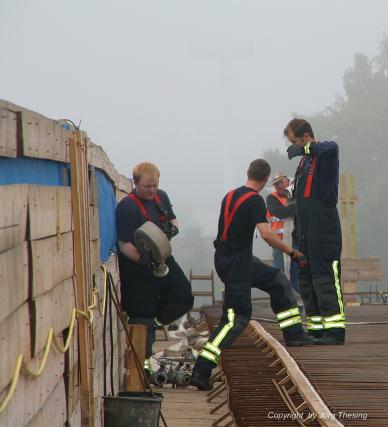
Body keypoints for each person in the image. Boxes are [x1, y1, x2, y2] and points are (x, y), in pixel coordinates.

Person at [190, 159, 315, 391]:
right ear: (266, 180)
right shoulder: (255, 200)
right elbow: (266, 234)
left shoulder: (229, 196)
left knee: (277, 281)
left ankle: (295, 333)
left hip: (229, 259)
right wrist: (292, 252)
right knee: (235, 319)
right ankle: (202, 369)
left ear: (248, 173)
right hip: (237, 264)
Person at [116, 162, 194, 372]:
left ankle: (158, 319)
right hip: (138, 269)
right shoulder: (128, 208)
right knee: (142, 319)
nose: (152, 190)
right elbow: (124, 245)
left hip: (163, 258)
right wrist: (144, 261)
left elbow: (174, 219)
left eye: (155, 186)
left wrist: (171, 230)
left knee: (183, 296)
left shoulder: (161, 197)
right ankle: (142, 373)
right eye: (147, 187)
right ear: (135, 183)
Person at [285, 118, 346, 345]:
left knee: (325, 278)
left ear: (306, 138)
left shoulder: (325, 155)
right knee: (307, 278)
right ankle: (317, 328)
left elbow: (331, 147)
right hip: (306, 231)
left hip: (324, 228)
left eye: (295, 142)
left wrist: (305, 148)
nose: (294, 148)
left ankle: (335, 331)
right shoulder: (303, 164)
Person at [266, 173, 296, 272]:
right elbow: (280, 212)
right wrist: (299, 206)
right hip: (278, 242)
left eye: (281, 182)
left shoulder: (296, 193)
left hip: (296, 239)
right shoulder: (272, 198)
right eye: (276, 184)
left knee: (296, 269)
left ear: (288, 180)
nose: (279, 186)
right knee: (279, 272)